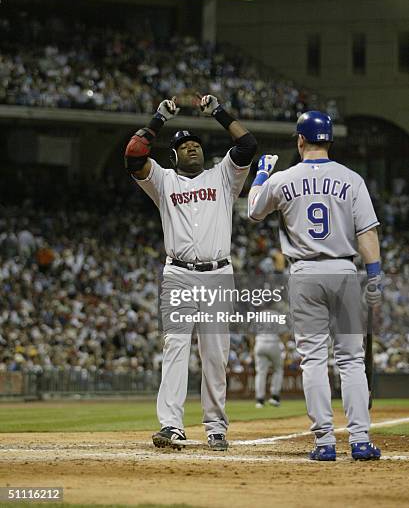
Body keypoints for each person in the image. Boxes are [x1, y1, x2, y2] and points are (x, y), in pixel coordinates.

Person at [247, 110, 382, 461]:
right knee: (352, 360)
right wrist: (376, 275)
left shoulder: (283, 178)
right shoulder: (351, 179)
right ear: (330, 141)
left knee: (313, 361)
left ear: (300, 140)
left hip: (305, 272)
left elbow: (254, 211)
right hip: (345, 270)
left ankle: (324, 442)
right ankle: (361, 441)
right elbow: (367, 231)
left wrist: (261, 173)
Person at [125, 94, 257, 451]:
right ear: (174, 156)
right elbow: (134, 156)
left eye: (196, 144)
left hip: (218, 275)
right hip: (179, 275)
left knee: (215, 354)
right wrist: (157, 120)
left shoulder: (224, 177)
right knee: (175, 348)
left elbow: (247, 144)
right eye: (184, 146)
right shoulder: (163, 181)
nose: (192, 148)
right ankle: (171, 425)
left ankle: (215, 426)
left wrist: (218, 112)